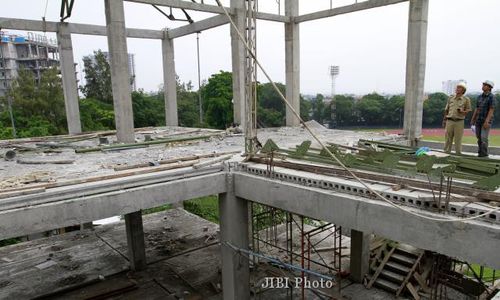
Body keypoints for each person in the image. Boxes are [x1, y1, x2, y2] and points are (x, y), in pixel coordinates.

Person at [442, 82, 471, 155]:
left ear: (463, 90)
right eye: (457, 87)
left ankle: (458, 154)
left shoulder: (466, 99)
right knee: (448, 138)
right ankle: (446, 152)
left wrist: (462, 111)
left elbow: (469, 110)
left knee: (458, 139)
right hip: (449, 120)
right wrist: (444, 120)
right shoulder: (451, 98)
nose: (457, 89)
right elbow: (446, 109)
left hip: (459, 121)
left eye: (459, 88)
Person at [470, 80, 495, 157]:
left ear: (490, 87)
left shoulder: (491, 97)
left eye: (485, 85)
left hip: (486, 121)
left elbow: (491, 109)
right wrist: (473, 119)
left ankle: (484, 155)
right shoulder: (479, 97)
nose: (483, 86)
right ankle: (480, 153)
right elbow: (477, 109)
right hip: (478, 121)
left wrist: (486, 121)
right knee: (479, 138)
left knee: (484, 138)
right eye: (483, 84)